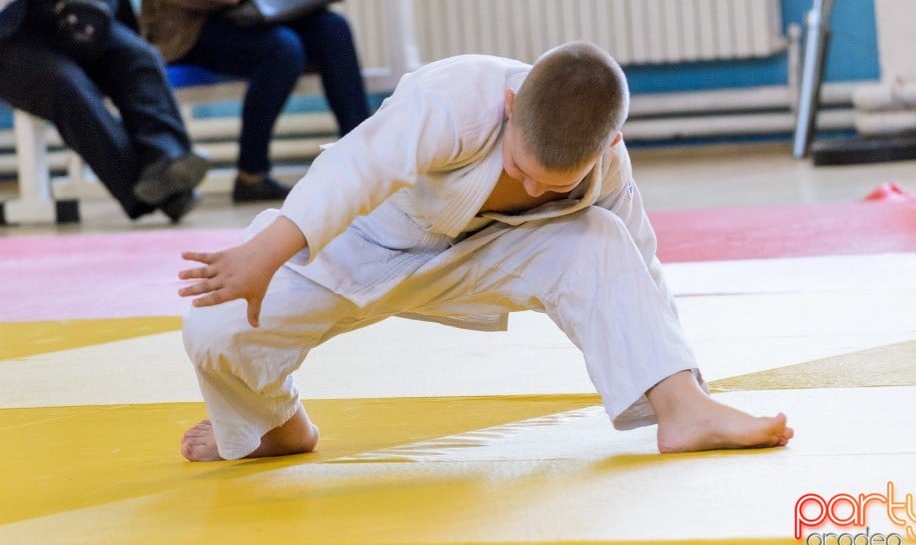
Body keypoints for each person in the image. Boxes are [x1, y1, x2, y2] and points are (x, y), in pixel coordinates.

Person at [177, 42, 794, 461]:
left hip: (487, 260)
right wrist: (264, 251)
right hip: (358, 245)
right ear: (510, 106)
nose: (531, 189)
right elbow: (354, 168)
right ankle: (275, 428)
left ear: (609, 144)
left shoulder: (609, 169)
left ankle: (684, 413)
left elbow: (640, 269)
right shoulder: (455, 97)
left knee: (603, 240)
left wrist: (686, 380)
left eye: (553, 184)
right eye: (523, 168)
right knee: (213, 323)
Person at [140, 0, 371, 203]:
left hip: (263, 4)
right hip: (191, 22)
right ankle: (252, 175)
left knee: (334, 30)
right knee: (283, 48)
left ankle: (365, 162)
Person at [0, 0, 208, 222]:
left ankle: (167, 158)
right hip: (13, 39)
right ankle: (157, 192)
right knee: (67, 86)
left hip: (85, 14)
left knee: (138, 57)